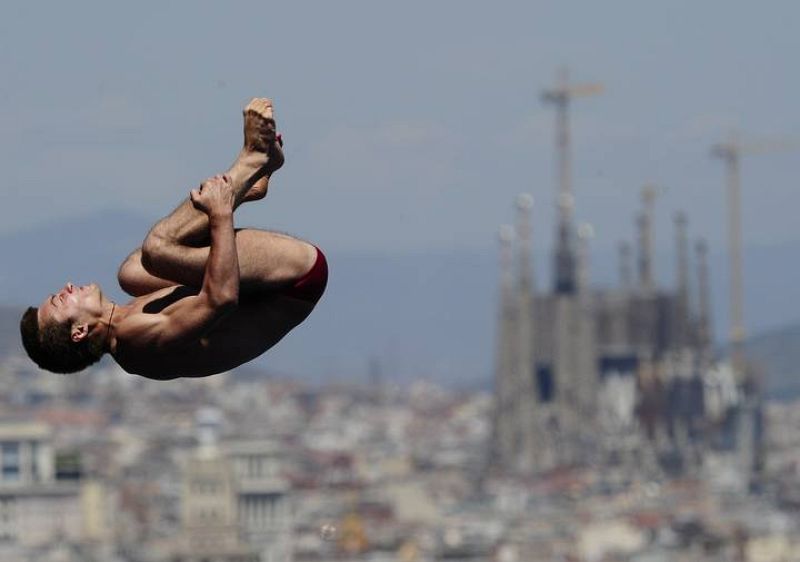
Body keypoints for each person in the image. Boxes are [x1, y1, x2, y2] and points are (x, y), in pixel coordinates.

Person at [19, 98, 327, 380]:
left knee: (132, 273)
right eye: (62, 300)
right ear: (79, 331)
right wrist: (220, 215)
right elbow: (220, 299)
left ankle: (248, 186)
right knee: (157, 249)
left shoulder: (125, 321)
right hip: (295, 280)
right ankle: (251, 162)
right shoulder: (135, 339)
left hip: (256, 288)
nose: (68, 287)